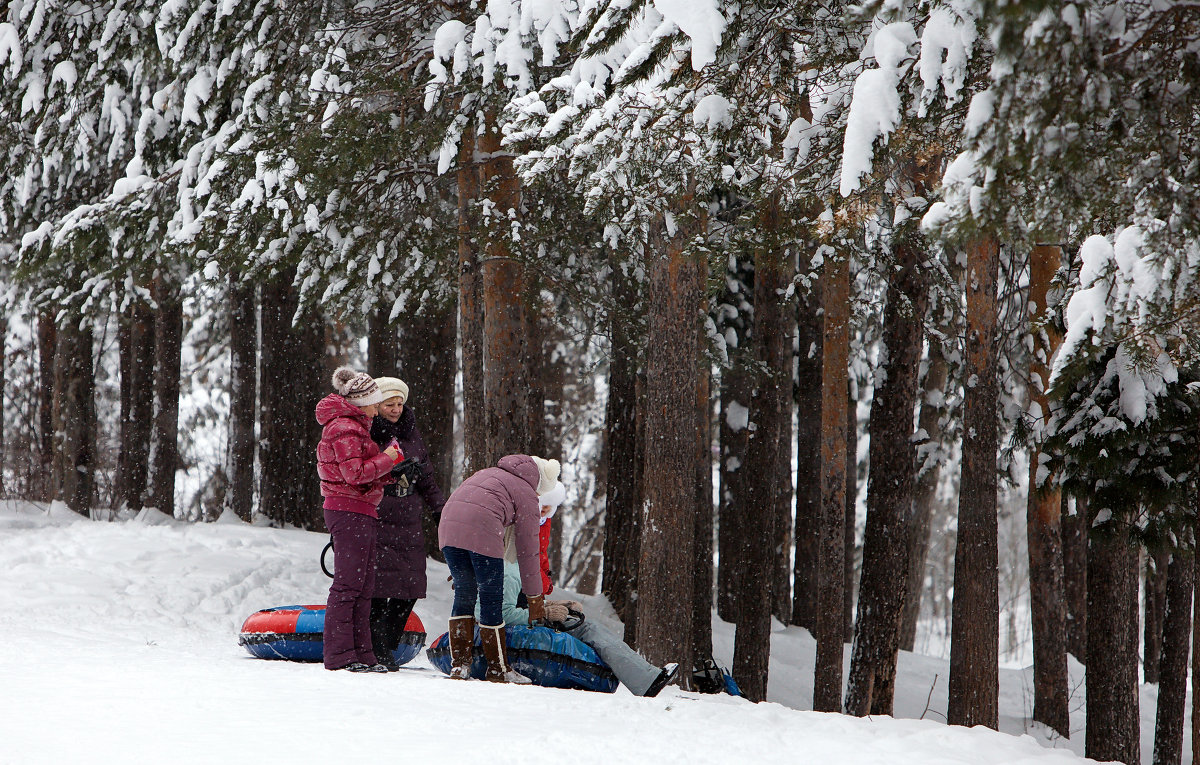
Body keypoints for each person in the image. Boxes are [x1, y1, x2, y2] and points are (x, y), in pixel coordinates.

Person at [500, 483, 679, 697]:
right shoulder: (510, 569)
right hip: (522, 628)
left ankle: (642, 677)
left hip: (528, 621)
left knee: (584, 624)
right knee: (589, 630)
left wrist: (557, 606)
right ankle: (645, 679)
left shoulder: (516, 567)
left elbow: (522, 602)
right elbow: (505, 613)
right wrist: (545, 613)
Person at [438, 454, 558, 683]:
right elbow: (528, 551)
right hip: (482, 530)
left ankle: (460, 665)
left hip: (448, 529)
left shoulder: (488, 473)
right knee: (491, 597)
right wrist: (534, 598)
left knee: (464, 593)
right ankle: (498, 669)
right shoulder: (526, 492)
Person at [315, 366, 402, 672]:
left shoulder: (356, 426)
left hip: (360, 509)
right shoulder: (344, 427)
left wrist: (392, 473)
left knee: (364, 587)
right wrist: (388, 459)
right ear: (363, 401)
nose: (380, 408)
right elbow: (354, 474)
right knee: (348, 585)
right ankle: (340, 656)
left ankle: (363, 655)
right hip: (347, 509)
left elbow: (360, 472)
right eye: (377, 402)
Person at [367, 376, 446, 671]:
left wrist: (440, 509)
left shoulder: (412, 433)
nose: (396, 409)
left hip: (409, 518)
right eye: (390, 404)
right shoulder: (368, 431)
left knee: (410, 587)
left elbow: (427, 478)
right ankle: (378, 649)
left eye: (400, 403)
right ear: (378, 404)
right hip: (378, 514)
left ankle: (386, 643)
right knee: (377, 587)